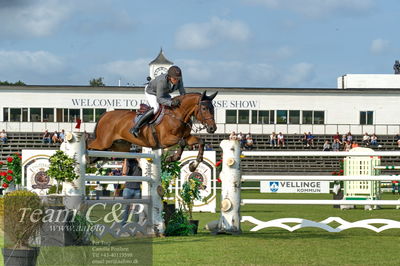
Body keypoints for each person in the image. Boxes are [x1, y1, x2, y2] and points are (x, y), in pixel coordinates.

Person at [130, 66, 185, 137]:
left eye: (178, 79)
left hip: (163, 93)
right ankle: (136, 127)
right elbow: (159, 99)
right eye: (175, 79)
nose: (176, 81)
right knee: (156, 108)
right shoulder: (162, 81)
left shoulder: (179, 80)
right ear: (169, 77)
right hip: (151, 92)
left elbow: (183, 94)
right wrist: (171, 103)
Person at [121, 149, 143, 226]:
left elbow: (142, 167)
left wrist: (138, 159)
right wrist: (126, 159)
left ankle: (136, 225)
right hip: (128, 188)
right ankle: (123, 224)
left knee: (137, 209)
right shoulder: (130, 162)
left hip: (137, 188)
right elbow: (124, 172)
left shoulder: (142, 162)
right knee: (126, 208)